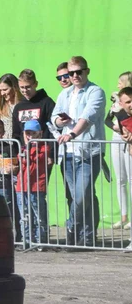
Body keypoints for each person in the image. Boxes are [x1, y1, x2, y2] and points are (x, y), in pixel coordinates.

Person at [51, 56, 106, 247]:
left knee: (82, 196)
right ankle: (86, 237)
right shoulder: (64, 94)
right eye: (71, 73)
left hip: (89, 152)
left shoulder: (95, 91)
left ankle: (71, 226)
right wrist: (60, 122)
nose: (74, 76)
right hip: (67, 154)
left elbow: (88, 116)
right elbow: (54, 117)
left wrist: (72, 133)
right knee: (80, 197)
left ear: (87, 71)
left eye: (78, 72)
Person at [14, 120, 51, 246]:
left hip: (36, 187)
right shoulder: (22, 148)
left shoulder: (44, 147)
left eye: (32, 134)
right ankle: (27, 240)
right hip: (21, 187)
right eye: (27, 134)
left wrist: (32, 146)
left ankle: (41, 239)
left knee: (38, 215)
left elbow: (36, 158)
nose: (29, 137)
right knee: (24, 216)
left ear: (39, 134)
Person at [105, 83, 132, 231]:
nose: (118, 85)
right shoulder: (119, 109)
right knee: (121, 179)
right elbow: (107, 120)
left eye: (121, 82)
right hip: (118, 142)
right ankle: (124, 216)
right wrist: (119, 129)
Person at [12, 69, 56, 142]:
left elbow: (53, 129)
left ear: (36, 84)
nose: (25, 90)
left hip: (44, 149)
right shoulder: (18, 107)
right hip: (24, 150)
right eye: (22, 87)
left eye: (28, 87)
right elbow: (16, 133)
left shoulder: (47, 103)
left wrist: (50, 151)